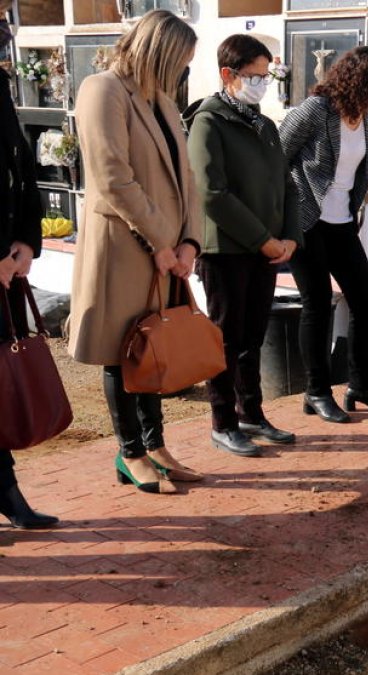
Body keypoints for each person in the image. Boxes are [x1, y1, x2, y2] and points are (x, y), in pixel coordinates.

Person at [69, 10, 202, 494]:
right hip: (126, 248)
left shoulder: (161, 100)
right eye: (181, 60)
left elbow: (186, 178)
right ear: (160, 52)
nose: (184, 71)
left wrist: (190, 240)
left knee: (157, 349)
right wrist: (162, 242)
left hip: (166, 249)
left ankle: (157, 446)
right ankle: (130, 453)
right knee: (124, 351)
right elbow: (112, 177)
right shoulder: (102, 90)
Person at [184, 35, 301, 457]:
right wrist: (263, 240)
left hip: (265, 250)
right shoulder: (209, 122)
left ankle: (251, 412)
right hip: (227, 250)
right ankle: (223, 421)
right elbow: (211, 193)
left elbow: (286, 185)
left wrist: (290, 237)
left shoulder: (263, 124)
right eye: (254, 76)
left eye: (266, 76)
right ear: (227, 75)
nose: (261, 84)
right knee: (226, 338)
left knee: (253, 335)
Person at [279, 46, 368, 424]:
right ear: (365, 81)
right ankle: (316, 391)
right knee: (317, 304)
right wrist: (287, 213)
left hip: (341, 223)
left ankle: (360, 386)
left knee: (366, 301)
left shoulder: (365, 118)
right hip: (307, 221)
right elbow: (275, 160)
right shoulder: (315, 111)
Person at [0, 0, 57, 527]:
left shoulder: (0, 88)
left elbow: (22, 171)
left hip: (6, 265)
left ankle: (7, 490)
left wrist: (25, 243)